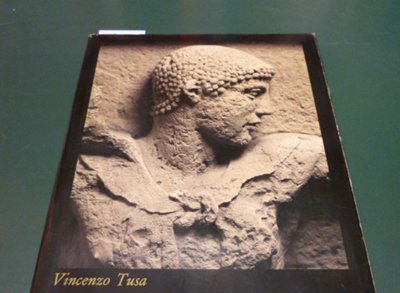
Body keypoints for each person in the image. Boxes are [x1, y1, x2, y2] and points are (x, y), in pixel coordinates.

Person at [69, 45, 347, 270]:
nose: (267, 109)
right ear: (193, 92)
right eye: (253, 93)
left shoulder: (274, 161)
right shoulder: (94, 172)